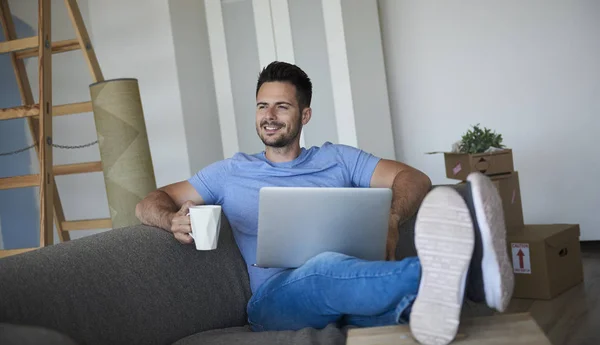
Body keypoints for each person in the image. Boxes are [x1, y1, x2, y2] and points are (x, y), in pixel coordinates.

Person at [135, 61, 514, 345]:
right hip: (273, 302)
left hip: (349, 288)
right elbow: (150, 201)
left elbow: (414, 178)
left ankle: (427, 308)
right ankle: (475, 276)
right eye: (261, 106)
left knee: (370, 302)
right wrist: (170, 221)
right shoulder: (230, 171)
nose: (268, 117)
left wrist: (393, 217)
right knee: (324, 268)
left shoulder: (338, 159)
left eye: (281, 107)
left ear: (305, 115)